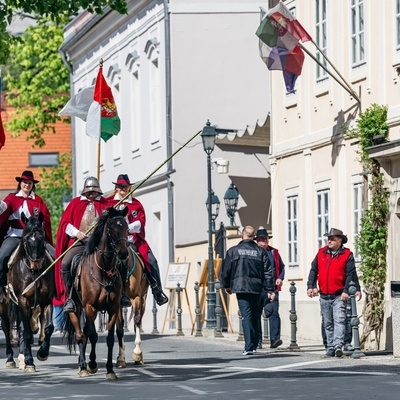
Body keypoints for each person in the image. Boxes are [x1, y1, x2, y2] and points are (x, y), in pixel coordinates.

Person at [106, 174, 168, 306]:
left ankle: (157, 290)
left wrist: (127, 227)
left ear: (129, 188)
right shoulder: (109, 203)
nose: (123, 188)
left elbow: (141, 222)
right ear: (116, 187)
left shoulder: (136, 204)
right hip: (114, 243)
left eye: (126, 186)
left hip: (132, 241)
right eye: (121, 186)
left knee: (152, 260)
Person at [54, 176, 111, 313]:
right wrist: (77, 233)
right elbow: (65, 224)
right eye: (89, 192)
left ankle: (121, 295)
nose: (91, 194)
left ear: (98, 191)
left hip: (99, 244)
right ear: (85, 191)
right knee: (65, 263)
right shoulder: (75, 203)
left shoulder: (105, 204)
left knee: (117, 261)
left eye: (94, 191)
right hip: (80, 242)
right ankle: (69, 297)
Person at [220, 226, 275, 355]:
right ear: (254, 236)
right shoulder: (261, 252)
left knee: (246, 315)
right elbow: (268, 272)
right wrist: (270, 289)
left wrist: (227, 285)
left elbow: (226, 270)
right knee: (255, 315)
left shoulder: (233, 251)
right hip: (257, 287)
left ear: (242, 235)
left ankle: (249, 346)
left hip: (241, 287)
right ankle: (255, 343)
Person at [0, 170, 54, 298]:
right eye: (25, 182)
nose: (27, 185)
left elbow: (45, 220)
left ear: (32, 184)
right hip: (15, 235)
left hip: (35, 238)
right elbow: (3, 208)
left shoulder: (38, 200)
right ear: (20, 183)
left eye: (29, 182)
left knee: (55, 257)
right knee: (1, 257)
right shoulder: (12, 198)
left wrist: (45, 238)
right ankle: (1, 288)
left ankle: (55, 290)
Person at [307, 227, 356, 358]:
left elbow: (350, 275)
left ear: (339, 240)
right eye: (328, 238)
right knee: (327, 322)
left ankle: (338, 346)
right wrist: (310, 286)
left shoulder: (347, 255)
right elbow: (313, 270)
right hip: (323, 294)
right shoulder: (321, 252)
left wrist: (346, 291)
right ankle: (330, 347)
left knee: (339, 320)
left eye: (332, 239)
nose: (329, 241)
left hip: (339, 294)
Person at [255, 226, 285, 349]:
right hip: (257, 289)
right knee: (256, 314)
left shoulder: (274, 252)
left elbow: (282, 267)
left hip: (272, 288)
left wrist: (280, 278)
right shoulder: (254, 252)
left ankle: (275, 339)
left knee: (273, 312)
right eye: (261, 240)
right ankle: (257, 340)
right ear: (257, 241)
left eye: (265, 239)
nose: (263, 242)